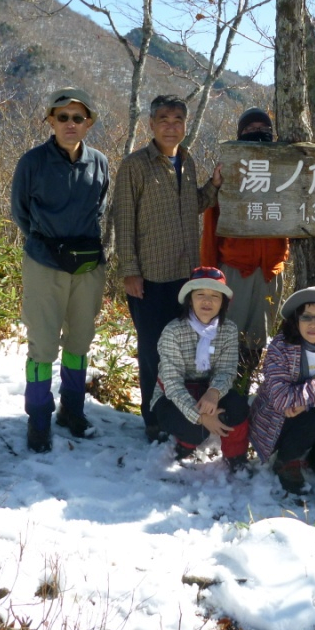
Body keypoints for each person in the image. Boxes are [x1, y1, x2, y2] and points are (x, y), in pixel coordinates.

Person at [115, 94, 222, 443]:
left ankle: (180, 414)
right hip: (150, 276)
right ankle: (153, 417)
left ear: (186, 126)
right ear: (151, 124)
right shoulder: (135, 165)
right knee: (152, 350)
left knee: (183, 350)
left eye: (178, 120)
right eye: (164, 119)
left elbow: (193, 207)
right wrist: (130, 270)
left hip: (185, 276)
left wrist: (215, 186)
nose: (171, 126)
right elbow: (124, 220)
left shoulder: (187, 163)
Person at [11, 87, 109, 452]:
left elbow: (100, 207)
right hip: (44, 262)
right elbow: (20, 211)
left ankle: (72, 411)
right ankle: (39, 421)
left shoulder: (99, 162)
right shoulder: (32, 163)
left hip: (87, 264)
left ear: (88, 124)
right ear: (50, 121)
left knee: (80, 340)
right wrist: (46, 243)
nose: (70, 124)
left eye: (78, 118)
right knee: (43, 345)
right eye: (63, 117)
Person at [201, 107, 289, 385]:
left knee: (257, 337)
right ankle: (218, 393)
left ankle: (243, 388)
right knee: (227, 335)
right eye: (249, 130)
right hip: (234, 270)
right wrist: (208, 273)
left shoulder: (286, 170)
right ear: (239, 135)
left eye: (263, 129)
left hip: (270, 272)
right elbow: (211, 225)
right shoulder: (229, 172)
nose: (257, 134)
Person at [249, 287, 315, 495]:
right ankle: (286, 461)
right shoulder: (280, 348)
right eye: (306, 317)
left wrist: (307, 401)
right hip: (277, 419)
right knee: (311, 420)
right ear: (296, 321)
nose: (313, 323)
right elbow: (280, 400)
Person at [148, 267, 250, 471]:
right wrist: (201, 418)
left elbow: (226, 370)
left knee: (238, 406)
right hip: (173, 395)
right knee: (194, 428)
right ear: (190, 299)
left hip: (208, 388)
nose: (207, 301)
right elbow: (172, 383)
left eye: (215, 296)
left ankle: (235, 455)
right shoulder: (173, 331)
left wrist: (214, 392)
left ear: (223, 302)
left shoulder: (228, 329)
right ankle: (186, 444)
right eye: (200, 294)